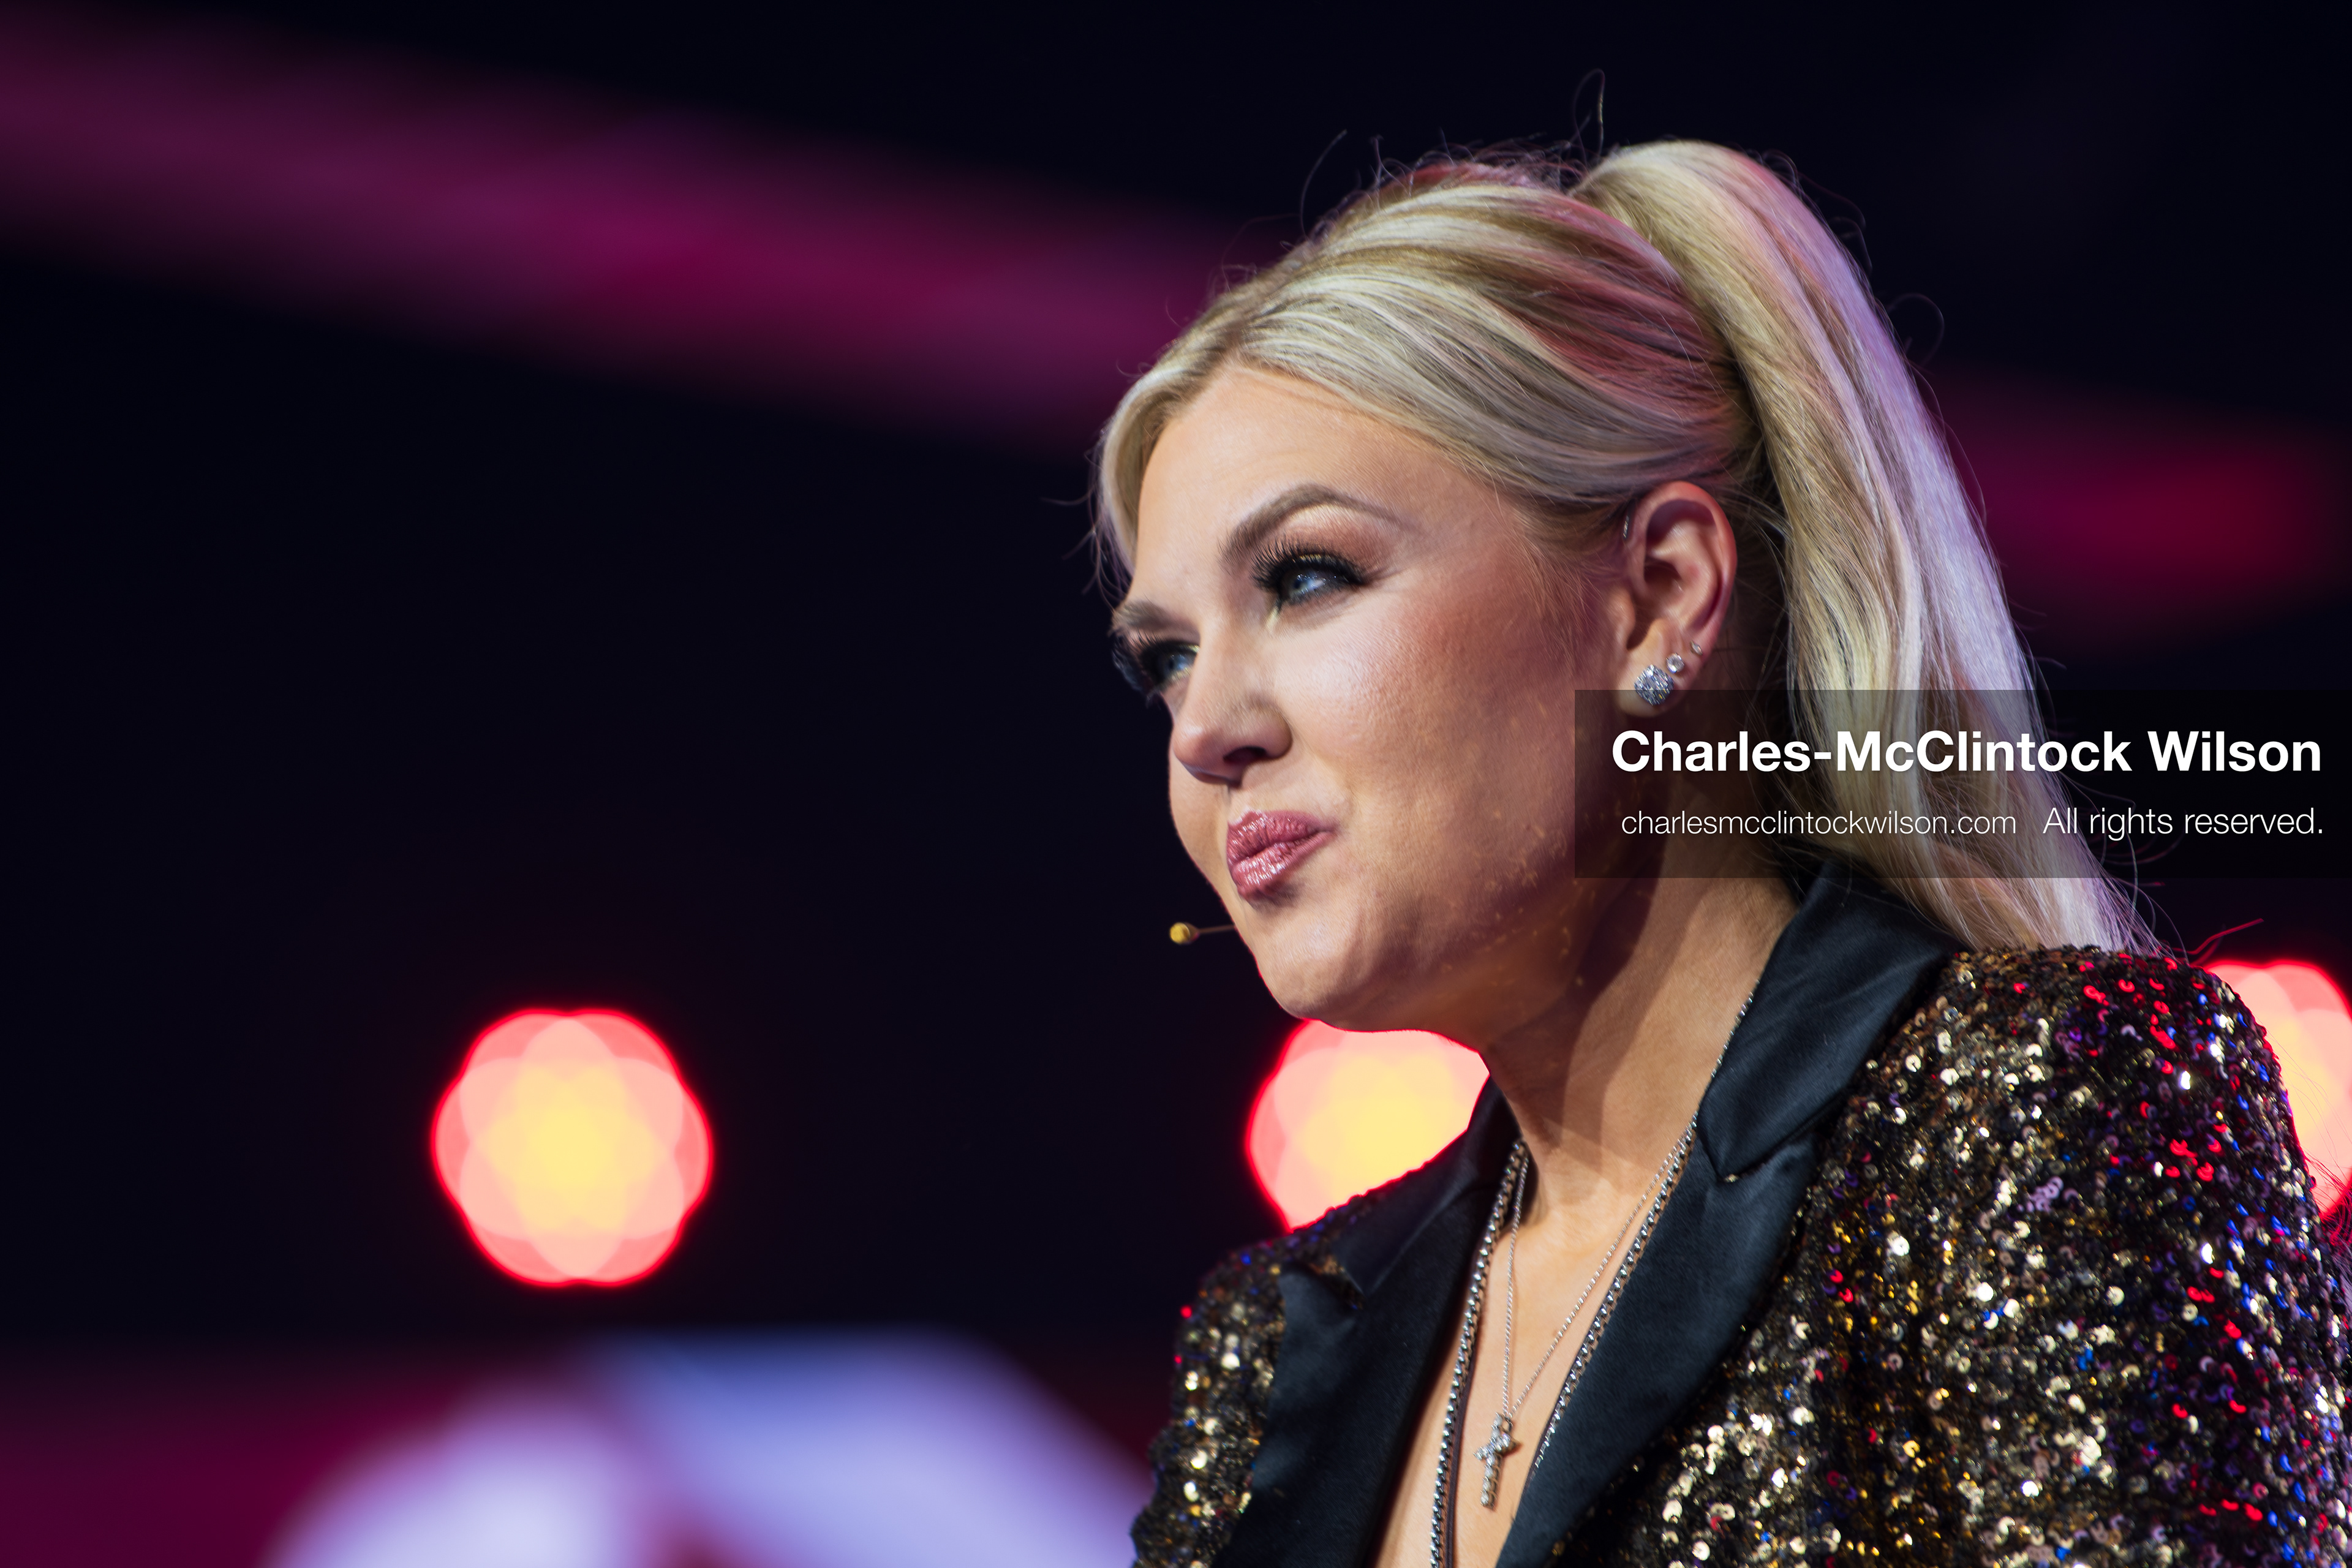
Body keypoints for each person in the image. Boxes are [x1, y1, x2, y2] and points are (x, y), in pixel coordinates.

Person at [1094, 141, 2351, 1567]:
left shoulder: (2034, 1107)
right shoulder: (1273, 1343)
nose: (1206, 728)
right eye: (1166, 660)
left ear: (1660, 598)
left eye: (1307, 578)